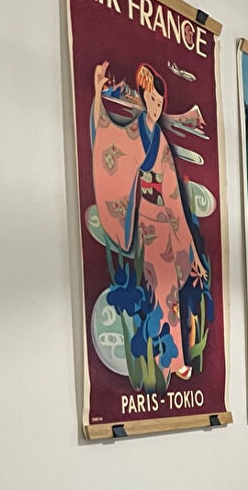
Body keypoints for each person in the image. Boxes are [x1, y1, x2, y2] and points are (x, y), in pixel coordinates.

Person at [90, 61, 212, 383]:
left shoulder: (161, 141)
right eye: (152, 101)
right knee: (162, 288)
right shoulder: (133, 133)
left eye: (160, 102)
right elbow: (106, 139)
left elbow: (174, 197)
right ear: (144, 99)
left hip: (164, 223)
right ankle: (169, 360)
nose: (156, 107)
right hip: (144, 220)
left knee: (170, 289)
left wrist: (192, 252)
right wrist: (98, 95)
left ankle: (171, 358)